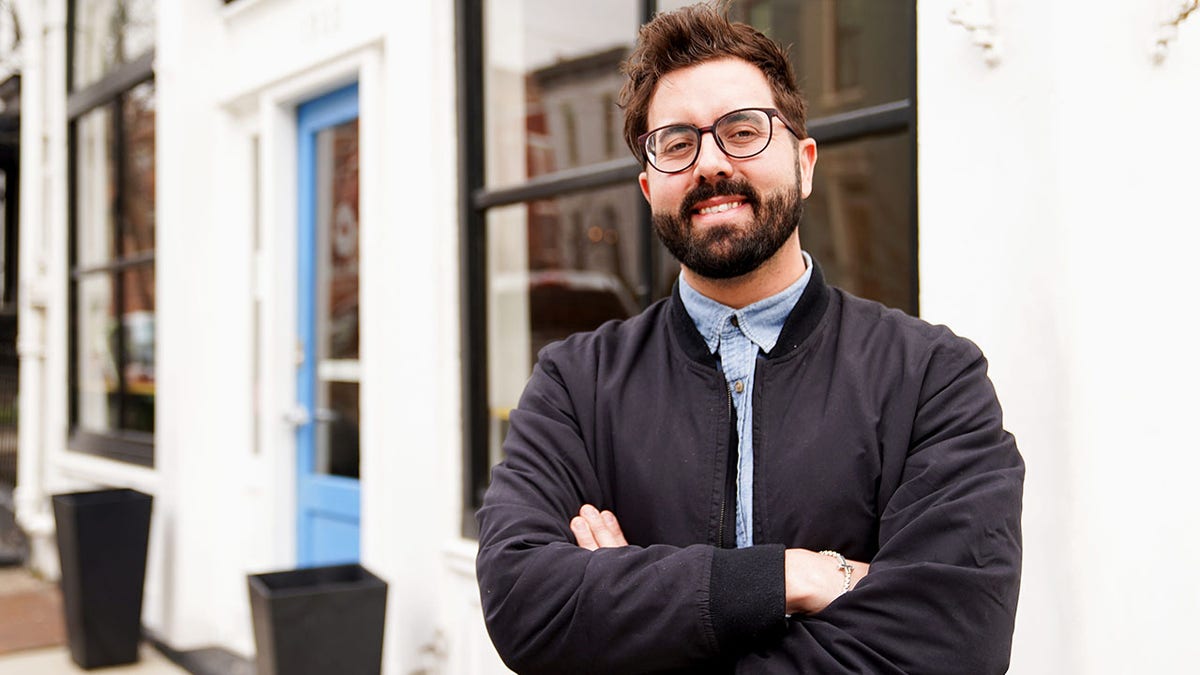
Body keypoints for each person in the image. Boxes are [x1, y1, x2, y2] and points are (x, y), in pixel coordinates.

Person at [476, 4, 1024, 674]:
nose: (709, 163)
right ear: (650, 187)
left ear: (806, 161)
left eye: (743, 130)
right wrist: (791, 576)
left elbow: (952, 646)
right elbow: (525, 603)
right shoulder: (575, 385)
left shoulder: (932, 378)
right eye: (677, 143)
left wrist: (635, 611)